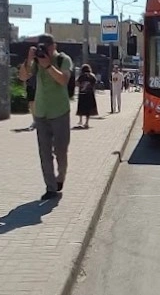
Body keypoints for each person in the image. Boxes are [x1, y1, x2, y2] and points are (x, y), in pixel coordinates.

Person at [18, 34, 74, 201]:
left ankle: (60, 177)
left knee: (60, 150)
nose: (44, 50)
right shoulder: (36, 61)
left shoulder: (63, 59)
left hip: (60, 112)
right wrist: (29, 60)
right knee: (44, 153)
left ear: (53, 46)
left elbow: (63, 80)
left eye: (47, 47)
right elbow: (22, 76)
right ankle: (50, 188)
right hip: (41, 112)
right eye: (41, 47)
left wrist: (48, 66)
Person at [76, 64, 99, 128]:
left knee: (81, 108)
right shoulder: (92, 76)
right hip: (90, 94)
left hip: (82, 94)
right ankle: (87, 122)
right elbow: (94, 84)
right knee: (88, 109)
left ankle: (80, 121)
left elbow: (77, 83)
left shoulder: (81, 76)